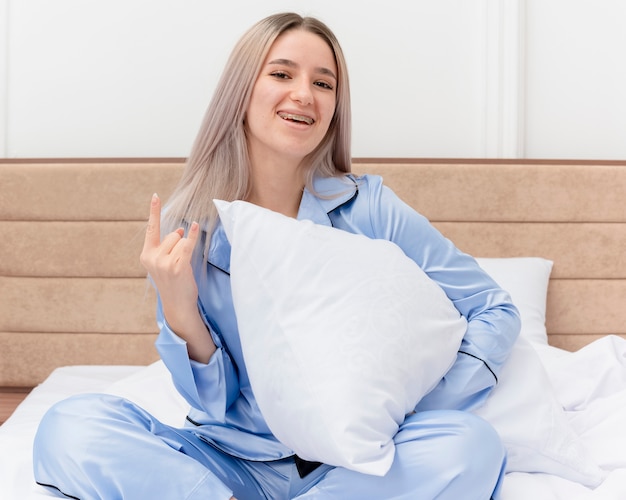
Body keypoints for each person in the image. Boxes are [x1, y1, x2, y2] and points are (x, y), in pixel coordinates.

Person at [33, 12, 520, 500]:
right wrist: (179, 307)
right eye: (282, 74)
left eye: (323, 83)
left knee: (470, 446)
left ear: (335, 106)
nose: (305, 94)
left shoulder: (370, 209)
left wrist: (412, 406)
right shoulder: (191, 232)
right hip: (226, 466)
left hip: (352, 468)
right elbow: (217, 403)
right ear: (242, 90)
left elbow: (493, 310)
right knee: (70, 426)